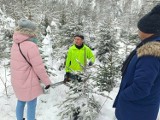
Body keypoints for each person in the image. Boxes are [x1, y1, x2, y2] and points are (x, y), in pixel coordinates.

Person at [113, 4, 160, 120]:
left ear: (150, 32)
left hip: (135, 113)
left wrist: (124, 95)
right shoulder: (148, 47)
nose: (138, 31)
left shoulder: (150, 54)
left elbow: (141, 88)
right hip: (138, 110)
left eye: (140, 29)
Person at [10, 18, 52, 120]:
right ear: (30, 31)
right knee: (32, 103)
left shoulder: (15, 43)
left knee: (20, 101)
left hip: (17, 80)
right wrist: (47, 82)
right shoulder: (31, 45)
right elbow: (39, 68)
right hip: (28, 81)